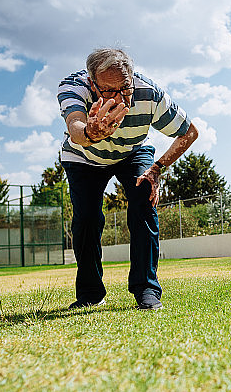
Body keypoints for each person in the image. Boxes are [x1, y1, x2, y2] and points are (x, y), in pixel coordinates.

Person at [57, 48, 198, 310]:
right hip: (83, 156)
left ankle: (146, 289)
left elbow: (189, 132)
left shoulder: (149, 93)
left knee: (144, 203)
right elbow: (74, 125)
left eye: (125, 88)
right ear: (92, 82)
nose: (121, 98)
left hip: (133, 151)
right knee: (86, 219)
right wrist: (91, 132)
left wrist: (157, 169)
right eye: (109, 90)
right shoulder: (74, 86)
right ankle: (90, 293)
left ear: (132, 78)